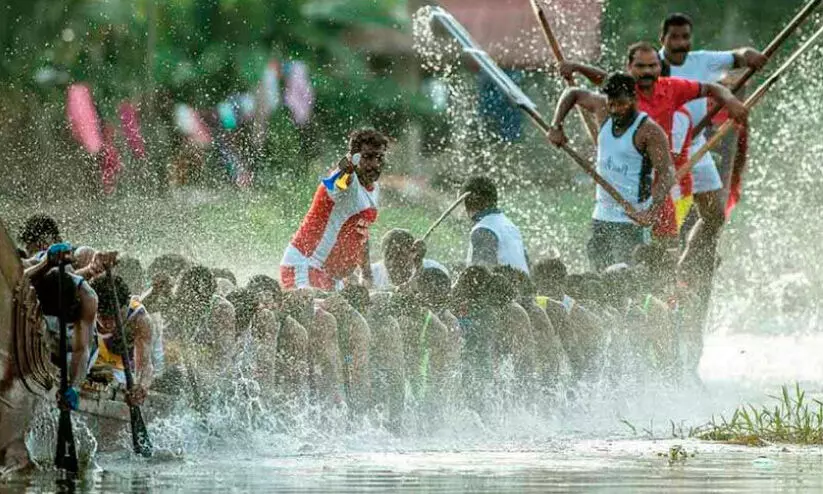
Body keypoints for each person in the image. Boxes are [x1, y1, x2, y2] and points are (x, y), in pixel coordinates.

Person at [557, 42, 748, 279]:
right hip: (608, 207)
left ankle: (677, 277)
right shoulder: (612, 97)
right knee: (605, 272)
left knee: (656, 259)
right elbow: (578, 92)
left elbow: (668, 171)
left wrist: (730, 101)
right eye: (640, 67)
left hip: (655, 192)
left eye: (652, 66)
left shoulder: (655, 122)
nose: (647, 72)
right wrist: (557, 124)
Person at [658, 13, 765, 282]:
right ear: (663, 39)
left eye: (685, 37)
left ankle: (688, 259)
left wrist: (749, 54)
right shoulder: (650, 66)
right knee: (662, 220)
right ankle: (660, 274)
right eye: (674, 37)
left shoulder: (702, 60)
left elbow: (738, 57)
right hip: (660, 151)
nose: (680, 43)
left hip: (696, 147)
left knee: (715, 214)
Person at [548, 72, 675, 271]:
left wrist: (652, 211)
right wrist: (556, 125)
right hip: (601, 215)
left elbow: (668, 173)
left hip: (632, 218)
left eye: (622, 104)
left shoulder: (649, 131)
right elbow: (572, 92)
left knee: (628, 278)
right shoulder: (601, 108)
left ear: (634, 99)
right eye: (612, 104)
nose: (616, 110)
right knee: (598, 276)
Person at [281, 128, 389, 290]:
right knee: (322, 316)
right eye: (367, 157)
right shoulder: (345, 182)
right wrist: (347, 164)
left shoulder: (374, 189)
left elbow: (362, 234)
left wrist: (366, 275)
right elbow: (340, 177)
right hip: (303, 267)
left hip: (331, 279)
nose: (374, 164)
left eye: (379, 157)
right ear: (355, 157)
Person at [27, 244, 99, 411]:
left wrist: (73, 387)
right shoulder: (34, 279)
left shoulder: (88, 298)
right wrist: (46, 263)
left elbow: (81, 349)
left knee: (70, 369)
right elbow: (17, 279)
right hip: (41, 326)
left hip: (72, 339)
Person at [91, 274, 158, 405]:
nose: (108, 324)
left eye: (114, 316)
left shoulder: (140, 320)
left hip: (120, 373)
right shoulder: (87, 305)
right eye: (102, 316)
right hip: (90, 366)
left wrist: (141, 388)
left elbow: (145, 366)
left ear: (125, 306)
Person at [461, 176, 529, 274]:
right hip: (521, 286)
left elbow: (480, 276)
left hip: (503, 287)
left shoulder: (484, 229)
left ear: (471, 200)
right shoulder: (510, 226)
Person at [370, 229, 448, 290]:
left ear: (413, 253)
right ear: (382, 256)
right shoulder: (371, 273)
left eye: (400, 255)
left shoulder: (434, 270)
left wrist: (419, 267)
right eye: (389, 256)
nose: (393, 262)